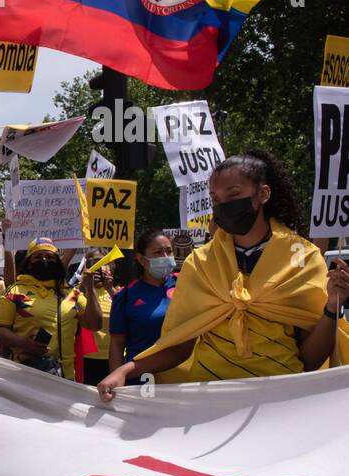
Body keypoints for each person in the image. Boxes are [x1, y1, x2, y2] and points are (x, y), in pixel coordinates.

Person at [98, 151, 344, 399]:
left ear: (263, 194)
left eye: (234, 194)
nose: (223, 205)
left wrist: (333, 306)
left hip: (279, 397)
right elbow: (180, 345)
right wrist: (127, 370)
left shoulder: (303, 258)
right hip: (212, 398)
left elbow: (311, 358)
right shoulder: (200, 262)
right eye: (215, 199)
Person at [0, 238, 85, 379]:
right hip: (22, 375)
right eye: (37, 256)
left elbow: (95, 324)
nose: (44, 260)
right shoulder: (15, 291)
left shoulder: (72, 294)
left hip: (65, 378)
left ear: (57, 262)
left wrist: (90, 288)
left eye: (49, 257)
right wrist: (23, 343)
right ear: (29, 263)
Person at [107, 229, 177, 372]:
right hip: (143, 379)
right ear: (141, 259)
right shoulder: (125, 296)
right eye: (158, 252)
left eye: (169, 251)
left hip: (183, 379)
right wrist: (116, 381)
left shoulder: (185, 284)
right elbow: (117, 343)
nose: (165, 256)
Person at [77, 248, 117, 385]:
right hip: (85, 358)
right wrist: (84, 286)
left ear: (110, 268)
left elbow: (128, 314)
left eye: (103, 262)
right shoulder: (77, 292)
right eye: (94, 262)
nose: (98, 267)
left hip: (114, 358)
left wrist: (110, 289)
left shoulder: (120, 292)